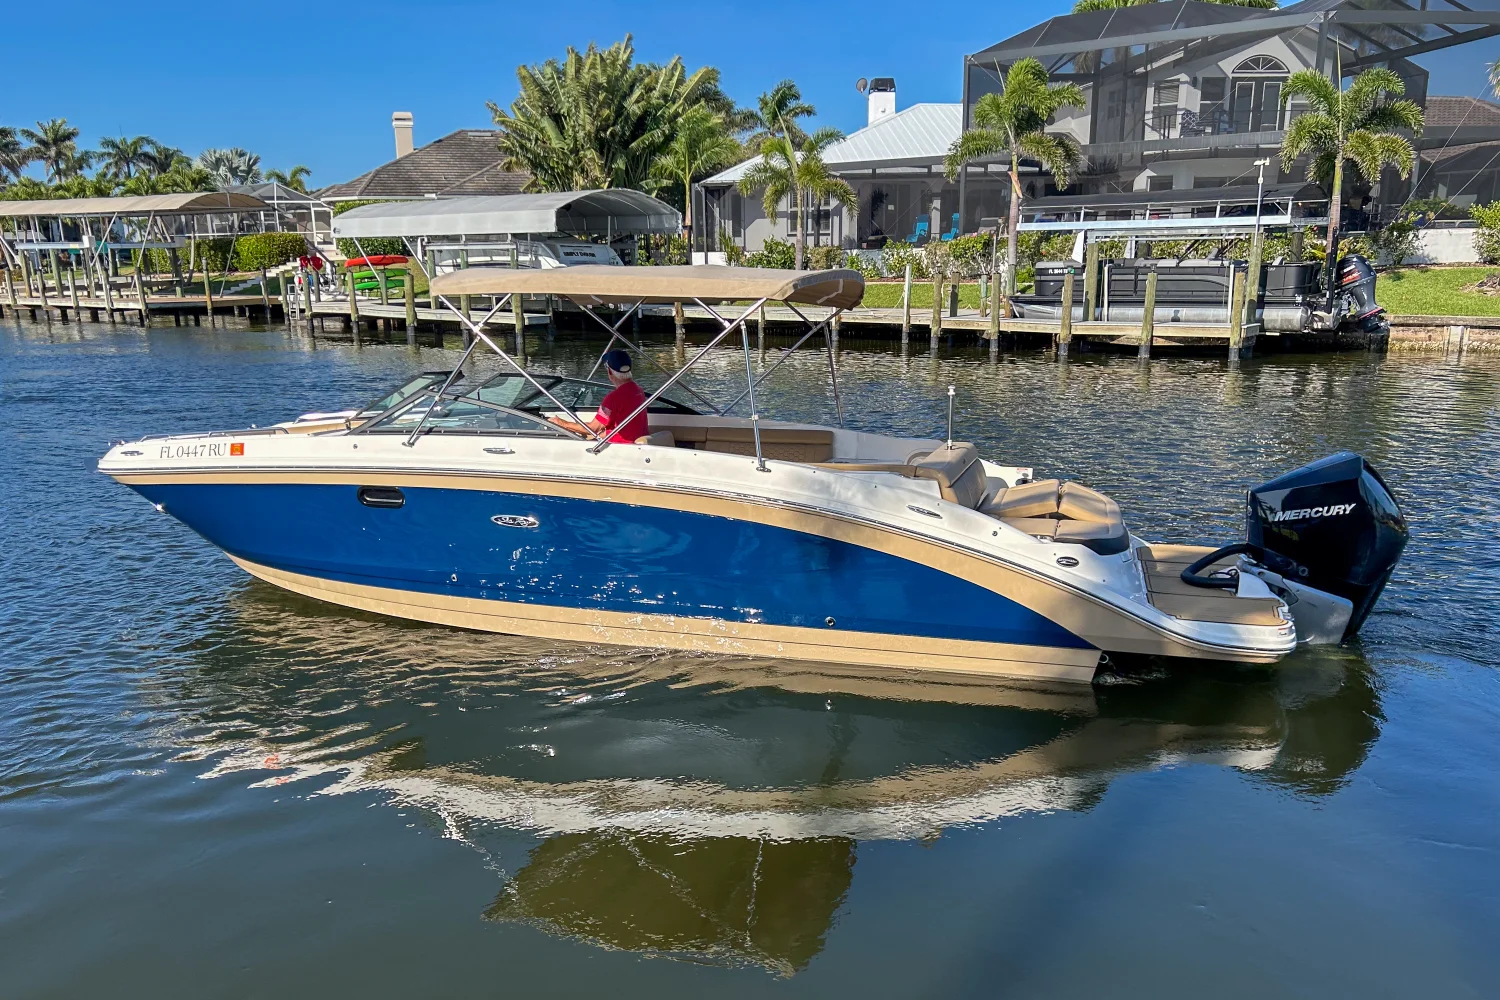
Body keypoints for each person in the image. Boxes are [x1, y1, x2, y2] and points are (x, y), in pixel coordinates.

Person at [550, 349, 651, 443]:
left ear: (610, 371)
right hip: (635, 442)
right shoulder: (638, 390)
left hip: (620, 447)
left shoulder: (613, 398)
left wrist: (561, 423)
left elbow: (593, 428)